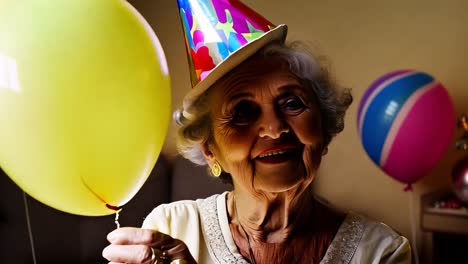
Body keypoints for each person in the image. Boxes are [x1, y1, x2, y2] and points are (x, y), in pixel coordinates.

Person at [102, 1, 411, 263]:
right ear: (210, 150)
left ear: (323, 125)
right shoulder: (171, 228)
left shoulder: (381, 251)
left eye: (292, 103)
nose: (275, 129)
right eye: (243, 113)